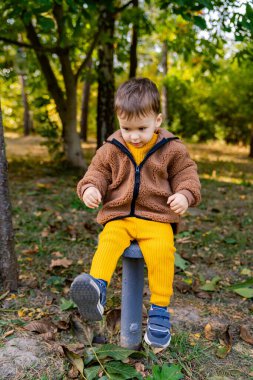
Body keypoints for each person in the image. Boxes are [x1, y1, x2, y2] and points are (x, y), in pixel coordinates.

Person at [70, 77, 201, 348]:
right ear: (118, 121)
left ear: (158, 120)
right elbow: (96, 173)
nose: (134, 136)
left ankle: (159, 312)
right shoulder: (111, 149)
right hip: (120, 216)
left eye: (142, 127)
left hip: (156, 217)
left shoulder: (171, 149)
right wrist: (90, 189)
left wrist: (184, 195)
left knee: (162, 251)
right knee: (108, 240)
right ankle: (97, 289)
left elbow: (187, 174)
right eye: (126, 128)